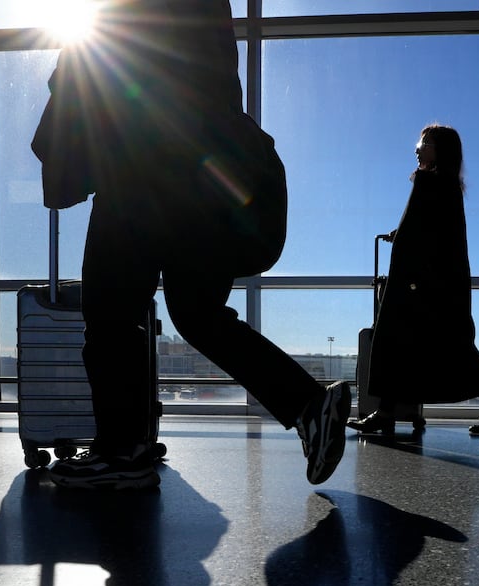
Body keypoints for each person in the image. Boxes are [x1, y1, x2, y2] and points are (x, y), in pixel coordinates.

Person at [39, 0, 350, 489]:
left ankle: (124, 451)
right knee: (196, 313)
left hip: (138, 171)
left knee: (110, 315)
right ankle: (308, 404)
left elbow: (106, 69)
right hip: (203, 174)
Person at [347, 125, 479, 437]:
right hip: (439, 283)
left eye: (424, 143)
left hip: (417, 284)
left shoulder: (429, 183)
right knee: (454, 345)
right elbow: (433, 231)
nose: (417, 148)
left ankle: (385, 413)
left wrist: (405, 245)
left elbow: (420, 229)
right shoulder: (449, 185)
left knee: (397, 341)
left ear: (439, 150)